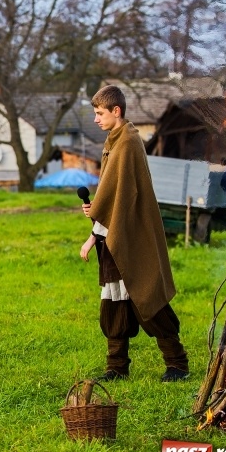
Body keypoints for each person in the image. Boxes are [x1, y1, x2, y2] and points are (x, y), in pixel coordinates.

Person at [79, 85, 189, 383]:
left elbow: (121, 198)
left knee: (146, 297)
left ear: (117, 111)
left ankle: (177, 363)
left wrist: (96, 220)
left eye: (100, 113)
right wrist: (95, 228)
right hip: (112, 234)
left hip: (130, 233)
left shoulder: (127, 143)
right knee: (114, 301)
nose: (96, 119)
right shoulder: (115, 141)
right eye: (95, 113)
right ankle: (116, 367)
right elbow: (110, 194)